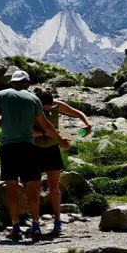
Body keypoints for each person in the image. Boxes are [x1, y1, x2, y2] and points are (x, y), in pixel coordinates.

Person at [0, 69, 55, 241]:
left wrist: (7, 123)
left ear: (12, 82)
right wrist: (60, 139)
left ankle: (15, 226)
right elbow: (45, 125)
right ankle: (35, 225)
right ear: (27, 83)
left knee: (11, 188)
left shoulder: (1, 95)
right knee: (32, 189)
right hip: (27, 147)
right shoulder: (33, 99)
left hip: (7, 147)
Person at [32, 87, 91, 237]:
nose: (49, 108)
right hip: (34, 149)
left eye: (51, 105)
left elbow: (77, 113)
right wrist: (46, 133)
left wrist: (87, 123)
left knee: (54, 187)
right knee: (35, 188)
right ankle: (35, 223)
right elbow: (26, 131)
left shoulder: (56, 106)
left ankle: (57, 221)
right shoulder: (30, 108)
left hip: (52, 149)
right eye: (46, 106)